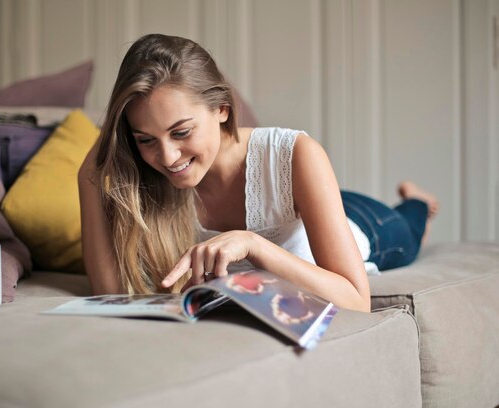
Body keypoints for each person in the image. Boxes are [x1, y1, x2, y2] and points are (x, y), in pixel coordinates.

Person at [78, 33, 439, 312]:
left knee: (408, 224)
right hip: (306, 205)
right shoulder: (150, 172)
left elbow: (356, 301)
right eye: (145, 139)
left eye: (181, 132)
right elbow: (112, 295)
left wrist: (251, 243)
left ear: (221, 108)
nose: (168, 156)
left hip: (367, 224)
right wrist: (86, 178)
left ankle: (419, 200)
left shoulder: (296, 153)